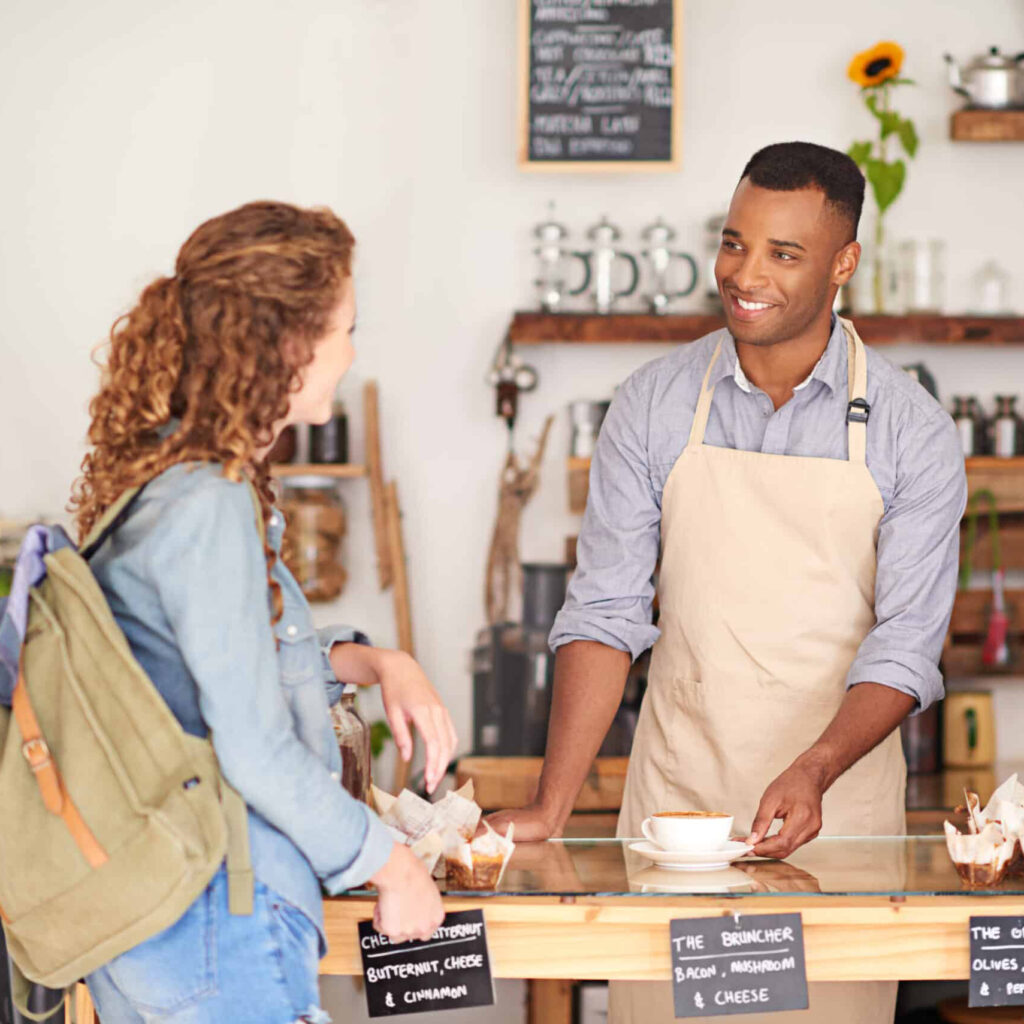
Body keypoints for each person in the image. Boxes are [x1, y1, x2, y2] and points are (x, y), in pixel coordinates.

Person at [489, 142, 966, 1023]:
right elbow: (604, 611)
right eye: (735, 243)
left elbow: (906, 645)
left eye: (785, 254)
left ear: (843, 264)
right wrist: (553, 804)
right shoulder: (654, 402)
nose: (746, 275)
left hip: (838, 818)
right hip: (680, 812)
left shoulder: (913, 432)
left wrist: (818, 768)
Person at [72, 201, 454, 1023]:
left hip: (167, 922)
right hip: (217, 919)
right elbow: (252, 746)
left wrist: (378, 661)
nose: (352, 352)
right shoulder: (208, 502)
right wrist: (391, 865)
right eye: (347, 328)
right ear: (290, 343)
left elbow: (232, 666)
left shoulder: (178, 484)